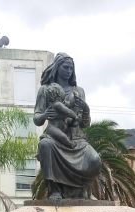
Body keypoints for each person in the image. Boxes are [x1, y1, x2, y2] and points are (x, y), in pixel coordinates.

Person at [34, 53, 102, 200]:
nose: (69, 71)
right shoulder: (45, 90)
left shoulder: (79, 91)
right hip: (54, 137)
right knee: (45, 145)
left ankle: (83, 190)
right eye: (65, 67)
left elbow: (85, 124)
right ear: (57, 67)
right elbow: (37, 119)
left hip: (77, 138)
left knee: (95, 159)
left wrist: (86, 110)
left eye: (71, 68)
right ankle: (54, 190)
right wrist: (45, 114)